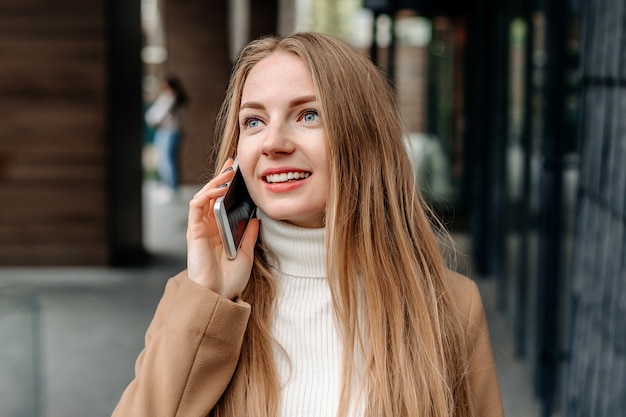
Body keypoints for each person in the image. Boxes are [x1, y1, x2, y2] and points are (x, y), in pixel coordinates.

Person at [113, 32, 504, 417]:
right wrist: (210, 300)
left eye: (308, 115)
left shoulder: (451, 305)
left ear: (364, 138)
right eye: (253, 121)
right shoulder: (195, 297)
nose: (273, 142)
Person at [145, 75, 189, 202]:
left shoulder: (171, 98)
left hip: (168, 132)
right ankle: (169, 188)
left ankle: (170, 189)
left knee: (167, 161)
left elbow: (155, 116)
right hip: (170, 133)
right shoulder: (177, 99)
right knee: (166, 160)